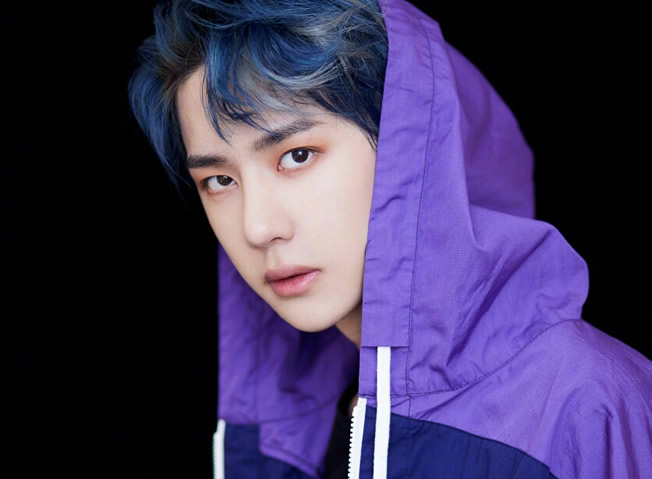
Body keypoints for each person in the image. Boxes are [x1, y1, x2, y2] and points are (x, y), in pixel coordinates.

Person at [127, 0, 651, 477]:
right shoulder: (297, 421)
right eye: (220, 180)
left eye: (297, 155)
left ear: (413, 148)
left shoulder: (587, 402)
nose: (258, 228)